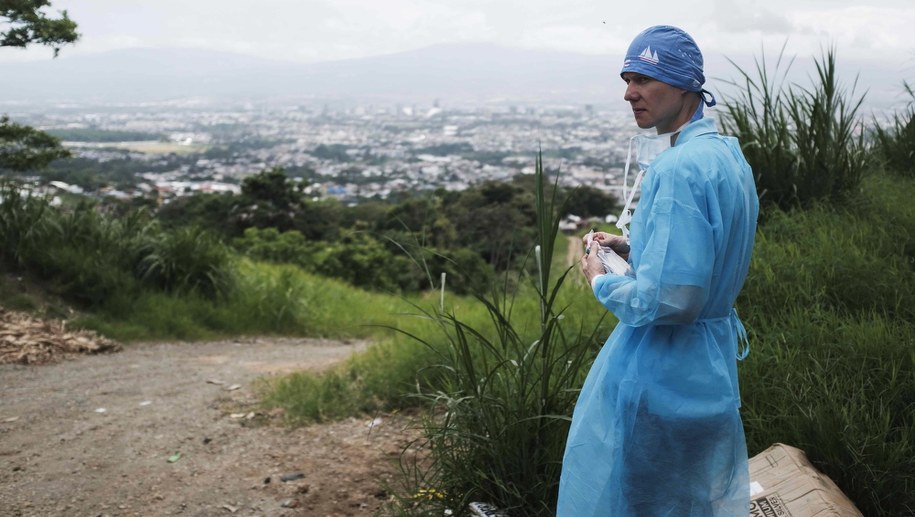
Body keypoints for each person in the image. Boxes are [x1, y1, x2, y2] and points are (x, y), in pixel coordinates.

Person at [557, 25, 759, 516]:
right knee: (693, 501)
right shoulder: (726, 156)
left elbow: (670, 301)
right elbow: (706, 255)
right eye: (627, 80)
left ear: (685, 84)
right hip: (708, 365)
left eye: (644, 79)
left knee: (641, 502)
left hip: (663, 373)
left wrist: (600, 278)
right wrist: (632, 247)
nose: (630, 93)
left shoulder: (675, 169)